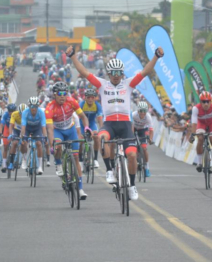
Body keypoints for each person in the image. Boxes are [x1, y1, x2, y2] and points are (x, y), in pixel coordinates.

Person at [67, 45, 164, 201]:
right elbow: (84, 72)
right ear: (109, 73)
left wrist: (156, 57)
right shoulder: (102, 85)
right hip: (109, 124)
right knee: (102, 138)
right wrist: (72, 57)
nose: (116, 76)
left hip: (126, 125)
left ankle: (132, 186)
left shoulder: (128, 84)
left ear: (122, 73)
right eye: (113, 73)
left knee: (132, 155)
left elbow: (145, 71)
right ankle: (110, 170)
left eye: (119, 73)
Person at [45, 82, 92, 200]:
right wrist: (52, 144)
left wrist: (86, 127)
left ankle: (80, 188)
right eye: (59, 93)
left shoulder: (71, 102)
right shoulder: (50, 107)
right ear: (54, 95)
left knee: (76, 157)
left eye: (64, 93)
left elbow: (83, 117)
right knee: (58, 147)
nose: (62, 96)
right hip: (58, 131)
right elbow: (50, 129)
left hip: (70, 130)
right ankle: (59, 164)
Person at [189, 91, 212, 173]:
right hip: (201, 124)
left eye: (208, 101)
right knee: (200, 139)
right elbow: (194, 123)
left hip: (211, 124)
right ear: (200, 102)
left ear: (211, 101)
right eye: (204, 102)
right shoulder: (196, 108)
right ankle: (199, 163)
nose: (206, 104)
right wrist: (192, 134)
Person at [20, 97, 48, 174]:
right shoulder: (25, 112)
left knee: (39, 144)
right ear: (29, 106)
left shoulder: (41, 112)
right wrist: (22, 137)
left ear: (38, 106)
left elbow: (43, 126)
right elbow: (23, 126)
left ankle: (39, 166)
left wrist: (45, 137)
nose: (34, 108)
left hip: (37, 129)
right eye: (32, 106)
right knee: (24, 143)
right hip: (27, 128)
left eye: (35, 106)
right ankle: (24, 159)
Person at [79, 88, 103, 169]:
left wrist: (102, 130)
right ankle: (80, 161)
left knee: (96, 137)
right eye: (88, 97)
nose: (90, 99)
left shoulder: (97, 105)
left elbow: (100, 119)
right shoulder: (81, 104)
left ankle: (95, 159)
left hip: (92, 124)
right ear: (85, 98)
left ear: (95, 98)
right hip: (82, 124)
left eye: (92, 97)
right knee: (81, 140)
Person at [132, 102, 154, 177]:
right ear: (138, 111)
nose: (142, 113)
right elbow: (130, 127)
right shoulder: (133, 115)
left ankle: (147, 167)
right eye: (141, 111)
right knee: (133, 147)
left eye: (144, 111)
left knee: (144, 148)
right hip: (134, 129)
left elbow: (151, 130)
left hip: (143, 130)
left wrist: (150, 139)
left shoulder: (148, 117)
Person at [7, 103, 28, 171]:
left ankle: (24, 157)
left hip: (25, 129)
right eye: (20, 113)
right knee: (14, 143)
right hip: (17, 130)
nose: (22, 115)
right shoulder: (14, 114)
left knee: (24, 143)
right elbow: (11, 125)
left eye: (23, 114)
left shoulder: (28, 115)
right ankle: (11, 162)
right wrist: (10, 134)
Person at [0, 103, 16, 172]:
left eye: (12, 111)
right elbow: (1, 125)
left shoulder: (17, 114)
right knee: (5, 146)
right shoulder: (5, 114)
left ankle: (14, 159)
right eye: (9, 111)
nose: (10, 112)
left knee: (15, 144)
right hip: (7, 128)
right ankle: (4, 164)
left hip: (15, 128)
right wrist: (0, 133)